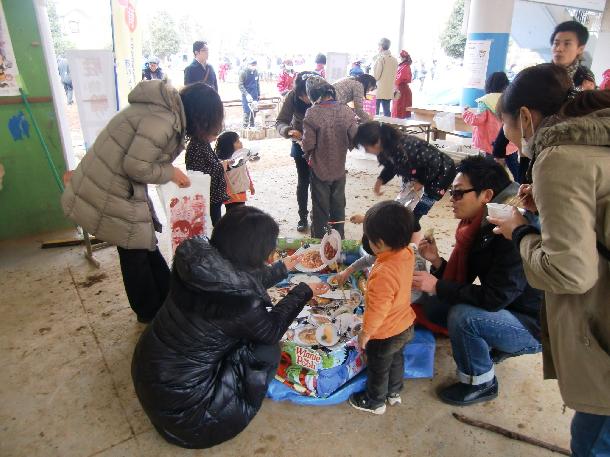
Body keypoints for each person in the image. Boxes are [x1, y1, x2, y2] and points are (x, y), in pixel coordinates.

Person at [131, 206, 329, 449]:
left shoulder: (196, 261)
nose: (269, 255)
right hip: (191, 416)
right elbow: (271, 330)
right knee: (267, 349)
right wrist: (304, 290)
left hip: (150, 375)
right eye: (267, 250)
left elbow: (230, 279)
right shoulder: (241, 303)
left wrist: (281, 268)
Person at [490, 63, 610, 455]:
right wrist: (543, 212)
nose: (507, 138)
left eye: (505, 125)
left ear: (526, 117)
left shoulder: (559, 157)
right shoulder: (595, 135)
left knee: (591, 442)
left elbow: (569, 272)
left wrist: (520, 232)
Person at [61, 80, 223, 323]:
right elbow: (135, 166)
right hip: (111, 186)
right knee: (134, 251)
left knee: (144, 244)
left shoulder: (166, 114)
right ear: (201, 115)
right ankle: (149, 314)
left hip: (119, 183)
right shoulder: (163, 120)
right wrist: (170, 173)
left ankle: (167, 302)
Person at [411, 156, 542, 405]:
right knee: (436, 305)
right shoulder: (480, 223)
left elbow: (494, 298)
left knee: (463, 316)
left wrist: (437, 284)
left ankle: (480, 382)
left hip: (533, 326)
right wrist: (437, 261)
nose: (451, 199)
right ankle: (496, 343)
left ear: (486, 195)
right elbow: (468, 280)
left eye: (458, 193)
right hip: (509, 306)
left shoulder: (511, 231)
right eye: (451, 192)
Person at [492, 20, 590, 183]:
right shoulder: (535, 75)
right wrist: (499, 149)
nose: (559, 48)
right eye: (556, 43)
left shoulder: (585, 83)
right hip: (529, 150)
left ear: (580, 49)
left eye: (567, 44)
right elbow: (511, 110)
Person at [348, 201, 416, 414]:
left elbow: (378, 310)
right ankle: (394, 393)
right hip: (405, 325)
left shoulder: (382, 274)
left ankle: (375, 401)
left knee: (378, 368)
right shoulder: (407, 252)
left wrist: (366, 333)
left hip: (384, 333)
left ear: (378, 242)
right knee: (396, 360)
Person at [353, 121, 456, 222]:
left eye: (366, 147)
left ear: (376, 142)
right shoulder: (385, 148)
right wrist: (380, 180)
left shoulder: (405, 146)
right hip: (415, 174)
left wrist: (421, 181)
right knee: (403, 211)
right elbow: (391, 166)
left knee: (415, 213)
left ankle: (409, 232)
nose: (366, 151)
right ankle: (406, 229)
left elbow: (434, 162)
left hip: (440, 174)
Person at [302, 76, 358, 238]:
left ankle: (320, 243)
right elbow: (354, 139)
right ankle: (338, 240)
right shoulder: (346, 111)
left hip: (319, 169)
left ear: (312, 94)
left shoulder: (312, 113)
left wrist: (303, 146)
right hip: (339, 169)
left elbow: (308, 144)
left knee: (320, 208)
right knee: (338, 206)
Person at [275, 71, 316, 232]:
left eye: (305, 95)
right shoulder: (292, 96)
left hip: (320, 148)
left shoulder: (325, 94)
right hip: (299, 144)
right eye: (300, 95)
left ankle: (318, 217)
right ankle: (302, 217)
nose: (303, 98)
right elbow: (280, 121)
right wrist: (289, 131)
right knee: (303, 181)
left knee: (319, 184)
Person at [463, 72, 519, 180]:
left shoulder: (485, 101)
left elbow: (478, 120)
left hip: (491, 143)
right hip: (510, 141)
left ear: (488, 84)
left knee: (491, 169)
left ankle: (494, 189)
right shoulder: (509, 99)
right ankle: (521, 187)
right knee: (514, 167)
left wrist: (465, 112)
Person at [185, 116, 230, 228]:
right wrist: (221, 166)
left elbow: (208, 164)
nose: (215, 138)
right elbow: (199, 174)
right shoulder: (196, 146)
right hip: (208, 196)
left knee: (216, 223)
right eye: (214, 134)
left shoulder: (202, 143)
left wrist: (221, 163)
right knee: (213, 226)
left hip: (213, 195)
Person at [214, 131, 255, 211]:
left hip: (241, 190)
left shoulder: (241, 158)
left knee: (239, 212)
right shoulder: (223, 163)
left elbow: (245, 172)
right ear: (228, 145)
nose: (241, 143)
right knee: (234, 213)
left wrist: (251, 185)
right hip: (231, 195)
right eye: (237, 141)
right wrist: (227, 193)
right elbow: (222, 179)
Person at [373, 38, 398, 117]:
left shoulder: (381, 59)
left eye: (378, 46)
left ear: (381, 46)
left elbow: (376, 76)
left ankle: (375, 129)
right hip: (389, 90)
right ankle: (387, 128)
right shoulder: (394, 60)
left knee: (375, 112)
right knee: (387, 112)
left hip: (379, 90)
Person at [239, 59, 260, 128]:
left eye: (255, 65)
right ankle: (244, 127)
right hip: (246, 95)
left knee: (254, 111)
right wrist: (246, 94)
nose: (253, 66)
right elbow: (240, 85)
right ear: (248, 65)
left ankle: (252, 126)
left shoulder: (256, 72)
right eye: (252, 65)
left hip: (254, 95)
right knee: (247, 111)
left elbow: (257, 84)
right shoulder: (243, 72)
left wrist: (258, 94)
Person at [391, 50, 413, 119]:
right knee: (398, 109)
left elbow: (400, 79)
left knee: (399, 109)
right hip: (400, 90)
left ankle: (398, 127)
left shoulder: (405, 67)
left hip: (401, 90)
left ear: (403, 58)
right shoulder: (404, 66)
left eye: (399, 57)